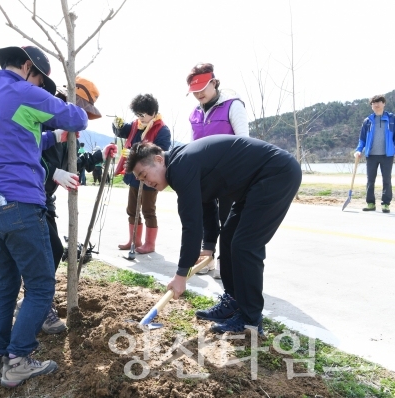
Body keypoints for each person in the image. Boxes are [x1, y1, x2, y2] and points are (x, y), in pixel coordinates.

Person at [0, 45, 88, 387]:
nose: (38, 87)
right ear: (27, 67)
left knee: (5, 285)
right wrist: (70, 103)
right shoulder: (23, 90)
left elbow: (22, 139)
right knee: (39, 287)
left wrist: (53, 134)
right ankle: (19, 359)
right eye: (39, 79)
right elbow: (77, 118)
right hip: (18, 204)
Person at [126, 136, 301, 335]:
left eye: (144, 174)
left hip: (276, 174)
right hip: (255, 183)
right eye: (141, 180)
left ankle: (250, 320)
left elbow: (191, 224)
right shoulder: (181, 164)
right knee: (228, 237)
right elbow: (206, 202)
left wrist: (181, 273)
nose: (147, 183)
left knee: (245, 245)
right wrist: (209, 245)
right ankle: (234, 301)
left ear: (158, 159)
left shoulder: (181, 166)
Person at [33, 76, 116, 334]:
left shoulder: (70, 127)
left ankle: (35, 302)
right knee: (49, 251)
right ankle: (39, 307)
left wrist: (98, 156)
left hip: (45, 199)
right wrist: (52, 173)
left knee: (53, 250)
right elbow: (27, 153)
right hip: (30, 196)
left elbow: (74, 162)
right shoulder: (46, 113)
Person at [187, 63, 250, 276]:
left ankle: (228, 260)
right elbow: (192, 145)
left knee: (228, 217)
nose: (198, 94)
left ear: (214, 82)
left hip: (230, 173)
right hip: (205, 175)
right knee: (206, 215)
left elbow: (244, 141)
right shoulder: (195, 113)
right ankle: (207, 257)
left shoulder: (232, 105)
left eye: (203, 88)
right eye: (194, 91)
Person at [113, 94, 171, 254]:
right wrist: (117, 125)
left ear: (152, 112)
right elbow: (122, 131)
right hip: (134, 175)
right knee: (131, 209)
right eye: (137, 114)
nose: (140, 117)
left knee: (148, 210)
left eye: (142, 114)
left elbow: (161, 150)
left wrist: (134, 152)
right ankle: (134, 240)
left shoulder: (162, 129)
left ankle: (149, 244)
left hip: (150, 176)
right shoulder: (135, 125)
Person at [354, 94, 394, 213]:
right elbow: (362, 139)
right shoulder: (368, 121)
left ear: (384, 103)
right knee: (370, 179)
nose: (376, 105)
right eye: (374, 103)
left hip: (387, 155)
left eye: (379, 102)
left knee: (386, 179)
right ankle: (370, 203)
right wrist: (358, 150)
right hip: (371, 155)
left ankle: (386, 204)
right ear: (371, 106)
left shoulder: (392, 119)